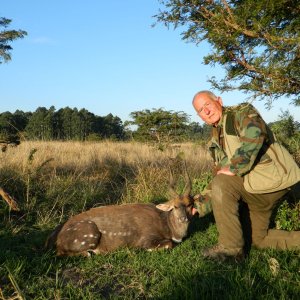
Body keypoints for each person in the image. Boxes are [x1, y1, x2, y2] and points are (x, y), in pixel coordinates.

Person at [192, 90, 300, 262]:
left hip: (272, 180)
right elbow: (219, 176)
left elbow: (255, 133)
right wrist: (198, 206)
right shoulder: (215, 140)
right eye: (200, 110)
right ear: (199, 115)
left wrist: (235, 166)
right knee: (259, 240)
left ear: (219, 100)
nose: (206, 111)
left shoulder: (240, 112)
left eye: (208, 105)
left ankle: (231, 251)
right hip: (257, 189)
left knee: (223, 182)